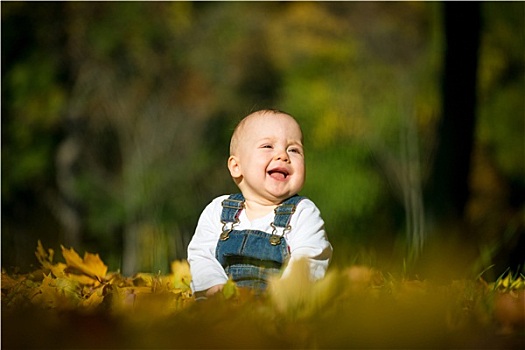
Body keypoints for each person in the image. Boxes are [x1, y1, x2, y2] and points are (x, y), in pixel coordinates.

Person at [187, 109, 332, 299]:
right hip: (223, 306)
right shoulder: (219, 211)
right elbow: (201, 256)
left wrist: (284, 298)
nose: (283, 155)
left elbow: (309, 260)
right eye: (267, 146)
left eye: (294, 149)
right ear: (236, 166)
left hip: (278, 308)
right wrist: (217, 290)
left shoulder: (303, 213)